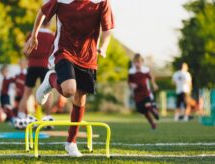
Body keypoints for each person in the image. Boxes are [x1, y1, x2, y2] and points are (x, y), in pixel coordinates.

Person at [23, 0, 115, 157]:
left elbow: (107, 30)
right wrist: (34, 36)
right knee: (69, 90)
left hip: (88, 56)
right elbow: (42, 13)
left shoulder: (102, 2)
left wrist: (104, 47)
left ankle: (71, 142)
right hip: (64, 51)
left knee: (80, 97)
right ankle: (52, 78)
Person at [18, 23, 55, 120]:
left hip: (32, 66)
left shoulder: (31, 34)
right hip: (45, 66)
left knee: (27, 93)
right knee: (48, 93)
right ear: (49, 23)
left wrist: (30, 58)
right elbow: (54, 52)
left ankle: (21, 116)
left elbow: (25, 51)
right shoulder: (52, 36)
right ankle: (48, 116)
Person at [128, 54, 159, 130]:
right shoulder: (131, 71)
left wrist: (154, 84)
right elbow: (129, 82)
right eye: (135, 62)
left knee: (147, 104)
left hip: (146, 92)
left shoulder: (145, 70)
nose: (137, 64)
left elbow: (151, 78)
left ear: (142, 62)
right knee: (142, 111)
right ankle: (152, 122)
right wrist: (131, 85)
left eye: (138, 62)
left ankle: (152, 110)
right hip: (137, 94)